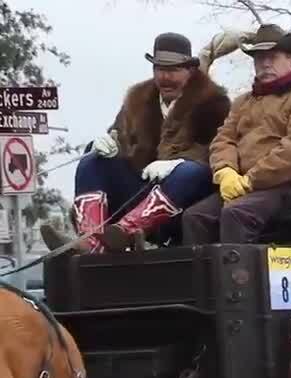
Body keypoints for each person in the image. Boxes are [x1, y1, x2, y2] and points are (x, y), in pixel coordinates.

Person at [65, 33, 230, 252]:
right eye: (159, 69)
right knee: (93, 158)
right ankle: (92, 240)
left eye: (172, 70)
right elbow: (121, 139)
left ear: (189, 71)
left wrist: (178, 163)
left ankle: (125, 232)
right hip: (141, 188)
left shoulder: (213, 102)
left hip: (188, 197)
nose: (165, 77)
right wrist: (110, 142)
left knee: (189, 172)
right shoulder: (137, 98)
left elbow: (220, 150)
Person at [182, 25, 291, 245]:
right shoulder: (243, 102)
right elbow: (224, 139)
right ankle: (202, 278)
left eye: (272, 57)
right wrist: (225, 171)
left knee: (236, 213)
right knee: (195, 217)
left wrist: (250, 180)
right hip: (249, 187)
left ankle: (238, 278)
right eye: (259, 58)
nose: (265, 63)